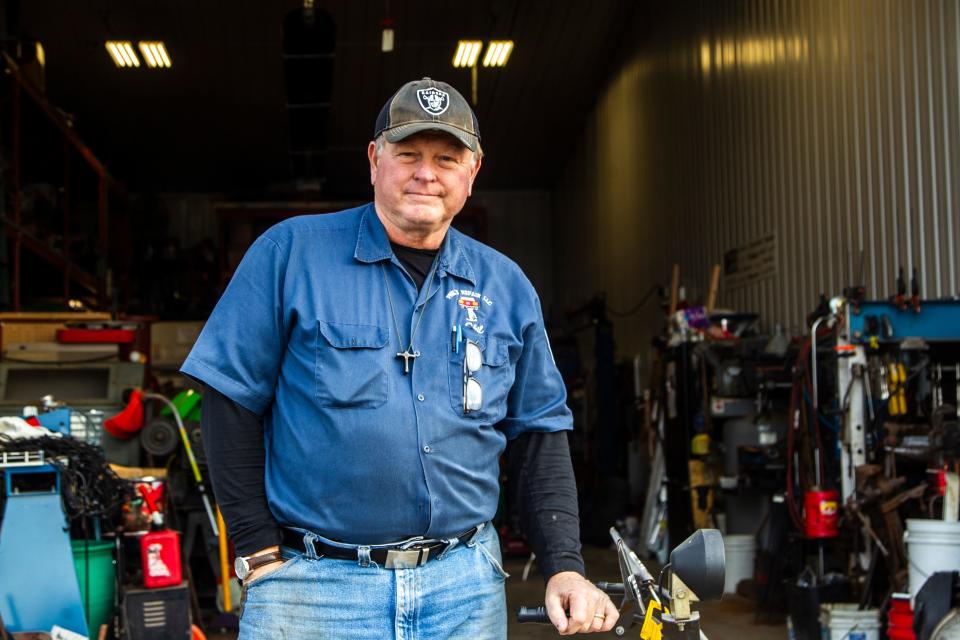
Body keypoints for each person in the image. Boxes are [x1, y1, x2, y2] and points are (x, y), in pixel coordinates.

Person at [182, 77, 617, 639]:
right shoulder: (290, 254)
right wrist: (259, 553)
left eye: (446, 158)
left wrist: (564, 566)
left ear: (472, 171)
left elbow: (539, 433)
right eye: (407, 153)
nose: (425, 173)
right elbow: (229, 401)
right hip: (314, 591)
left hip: (464, 590)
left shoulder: (505, 287)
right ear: (374, 159)